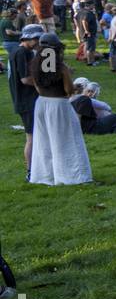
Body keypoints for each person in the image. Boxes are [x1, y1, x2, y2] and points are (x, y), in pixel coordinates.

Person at [28, 35, 93, 186]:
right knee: (67, 140)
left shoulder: (35, 66)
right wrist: (75, 85)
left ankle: (46, 175)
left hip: (42, 104)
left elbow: (38, 87)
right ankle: (73, 176)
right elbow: (68, 90)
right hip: (59, 105)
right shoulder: (60, 67)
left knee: (44, 141)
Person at [8, 23, 41, 173]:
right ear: (28, 38)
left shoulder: (23, 52)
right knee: (32, 138)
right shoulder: (21, 53)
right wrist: (45, 84)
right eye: (36, 39)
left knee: (35, 136)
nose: (38, 42)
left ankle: (36, 168)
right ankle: (31, 170)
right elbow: (25, 79)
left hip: (28, 99)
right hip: (26, 101)